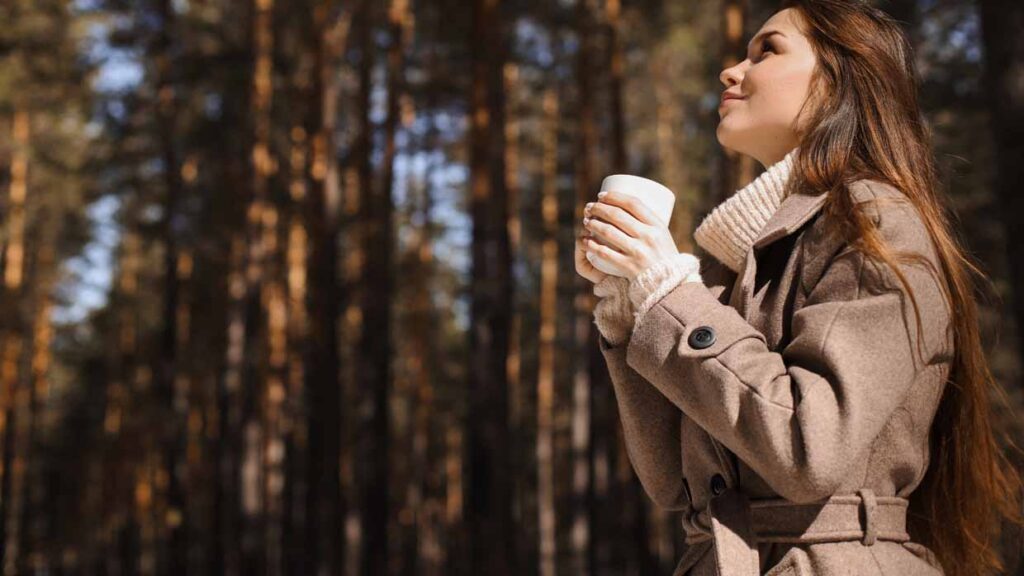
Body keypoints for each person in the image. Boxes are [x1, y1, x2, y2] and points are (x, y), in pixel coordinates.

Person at [574, 1, 1023, 575]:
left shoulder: (875, 222)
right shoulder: (744, 264)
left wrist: (668, 293)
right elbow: (671, 481)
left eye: (768, 50)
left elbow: (808, 449)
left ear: (840, 83)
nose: (731, 71)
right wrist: (630, 304)